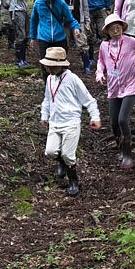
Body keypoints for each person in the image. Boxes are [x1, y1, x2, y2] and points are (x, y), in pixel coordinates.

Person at [39, 47, 101, 196]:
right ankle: (62, 163)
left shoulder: (72, 79)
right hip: (55, 122)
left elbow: (89, 100)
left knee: (68, 155)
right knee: (50, 152)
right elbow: (47, 99)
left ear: (62, 65)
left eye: (52, 66)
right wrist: (44, 115)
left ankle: (73, 181)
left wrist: (95, 117)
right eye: (47, 66)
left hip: (71, 122)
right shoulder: (50, 79)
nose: (49, 69)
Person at [96, 14, 135, 169]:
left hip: (130, 86)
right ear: (107, 31)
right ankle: (121, 148)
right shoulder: (104, 46)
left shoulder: (130, 41)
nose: (116, 31)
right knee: (113, 122)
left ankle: (128, 154)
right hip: (113, 88)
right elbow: (101, 61)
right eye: (112, 29)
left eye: (118, 27)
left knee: (122, 119)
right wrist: (99, 73)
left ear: (122, 28)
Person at [29, 0, 81, 80]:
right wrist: (32, 37)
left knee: (61, 64)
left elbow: (70, 18)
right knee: (45, 65)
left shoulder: (60, 3)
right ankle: (48, 87)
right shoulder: (38, 4)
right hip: (44, 38)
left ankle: (62, 85)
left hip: (59, 38)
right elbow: (34, 20)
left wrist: (76, 27)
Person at [60, 0, 93, 74]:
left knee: (82, 42)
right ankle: (63, 65)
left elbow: (85, 6)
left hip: (78, 21)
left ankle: (86, 65)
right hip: (65, 22)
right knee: (64, 43)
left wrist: (87, 21)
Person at [8, 0, 37, 68]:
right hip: (16, 9)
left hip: (24, 8)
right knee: (21, 35)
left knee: (26, 35)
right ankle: (18, 60)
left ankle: (23, 59)